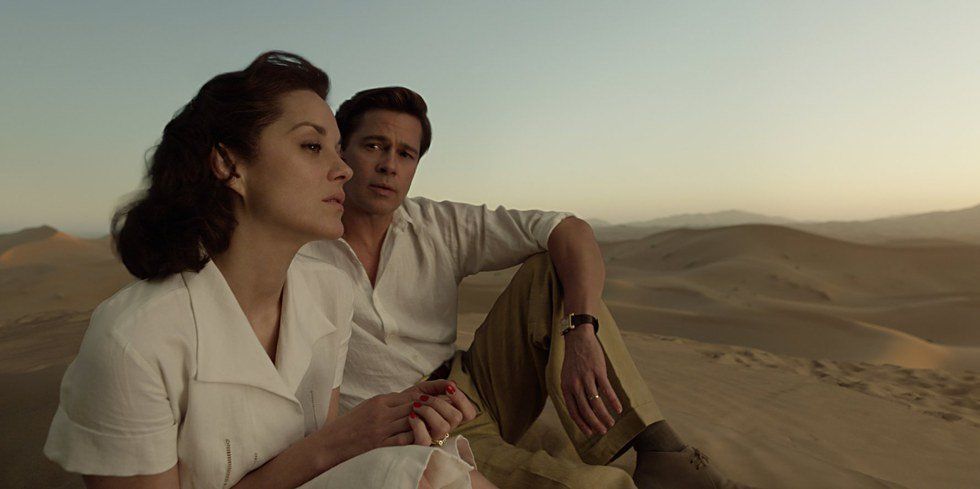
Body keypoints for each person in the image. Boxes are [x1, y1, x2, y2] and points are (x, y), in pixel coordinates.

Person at [43, 52, 497, 489]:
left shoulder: (330, 290)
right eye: (312, 146)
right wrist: (339, 441)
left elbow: (323, 471)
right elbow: (325, 452)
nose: (342, 169)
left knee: (423, 467)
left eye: (337, 150)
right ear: (229, 165)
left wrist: (394, 424)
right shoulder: (134, 341)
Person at [298, 86, 757, 489]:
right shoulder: (298, 245)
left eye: (405, 154)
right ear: (342, 152)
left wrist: (581, 330)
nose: (388, 166)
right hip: (404, 428)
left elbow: (567, 229)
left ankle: (663, 454)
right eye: (373, 146)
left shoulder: (435, 223)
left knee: (548, 270)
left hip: (471, 387)